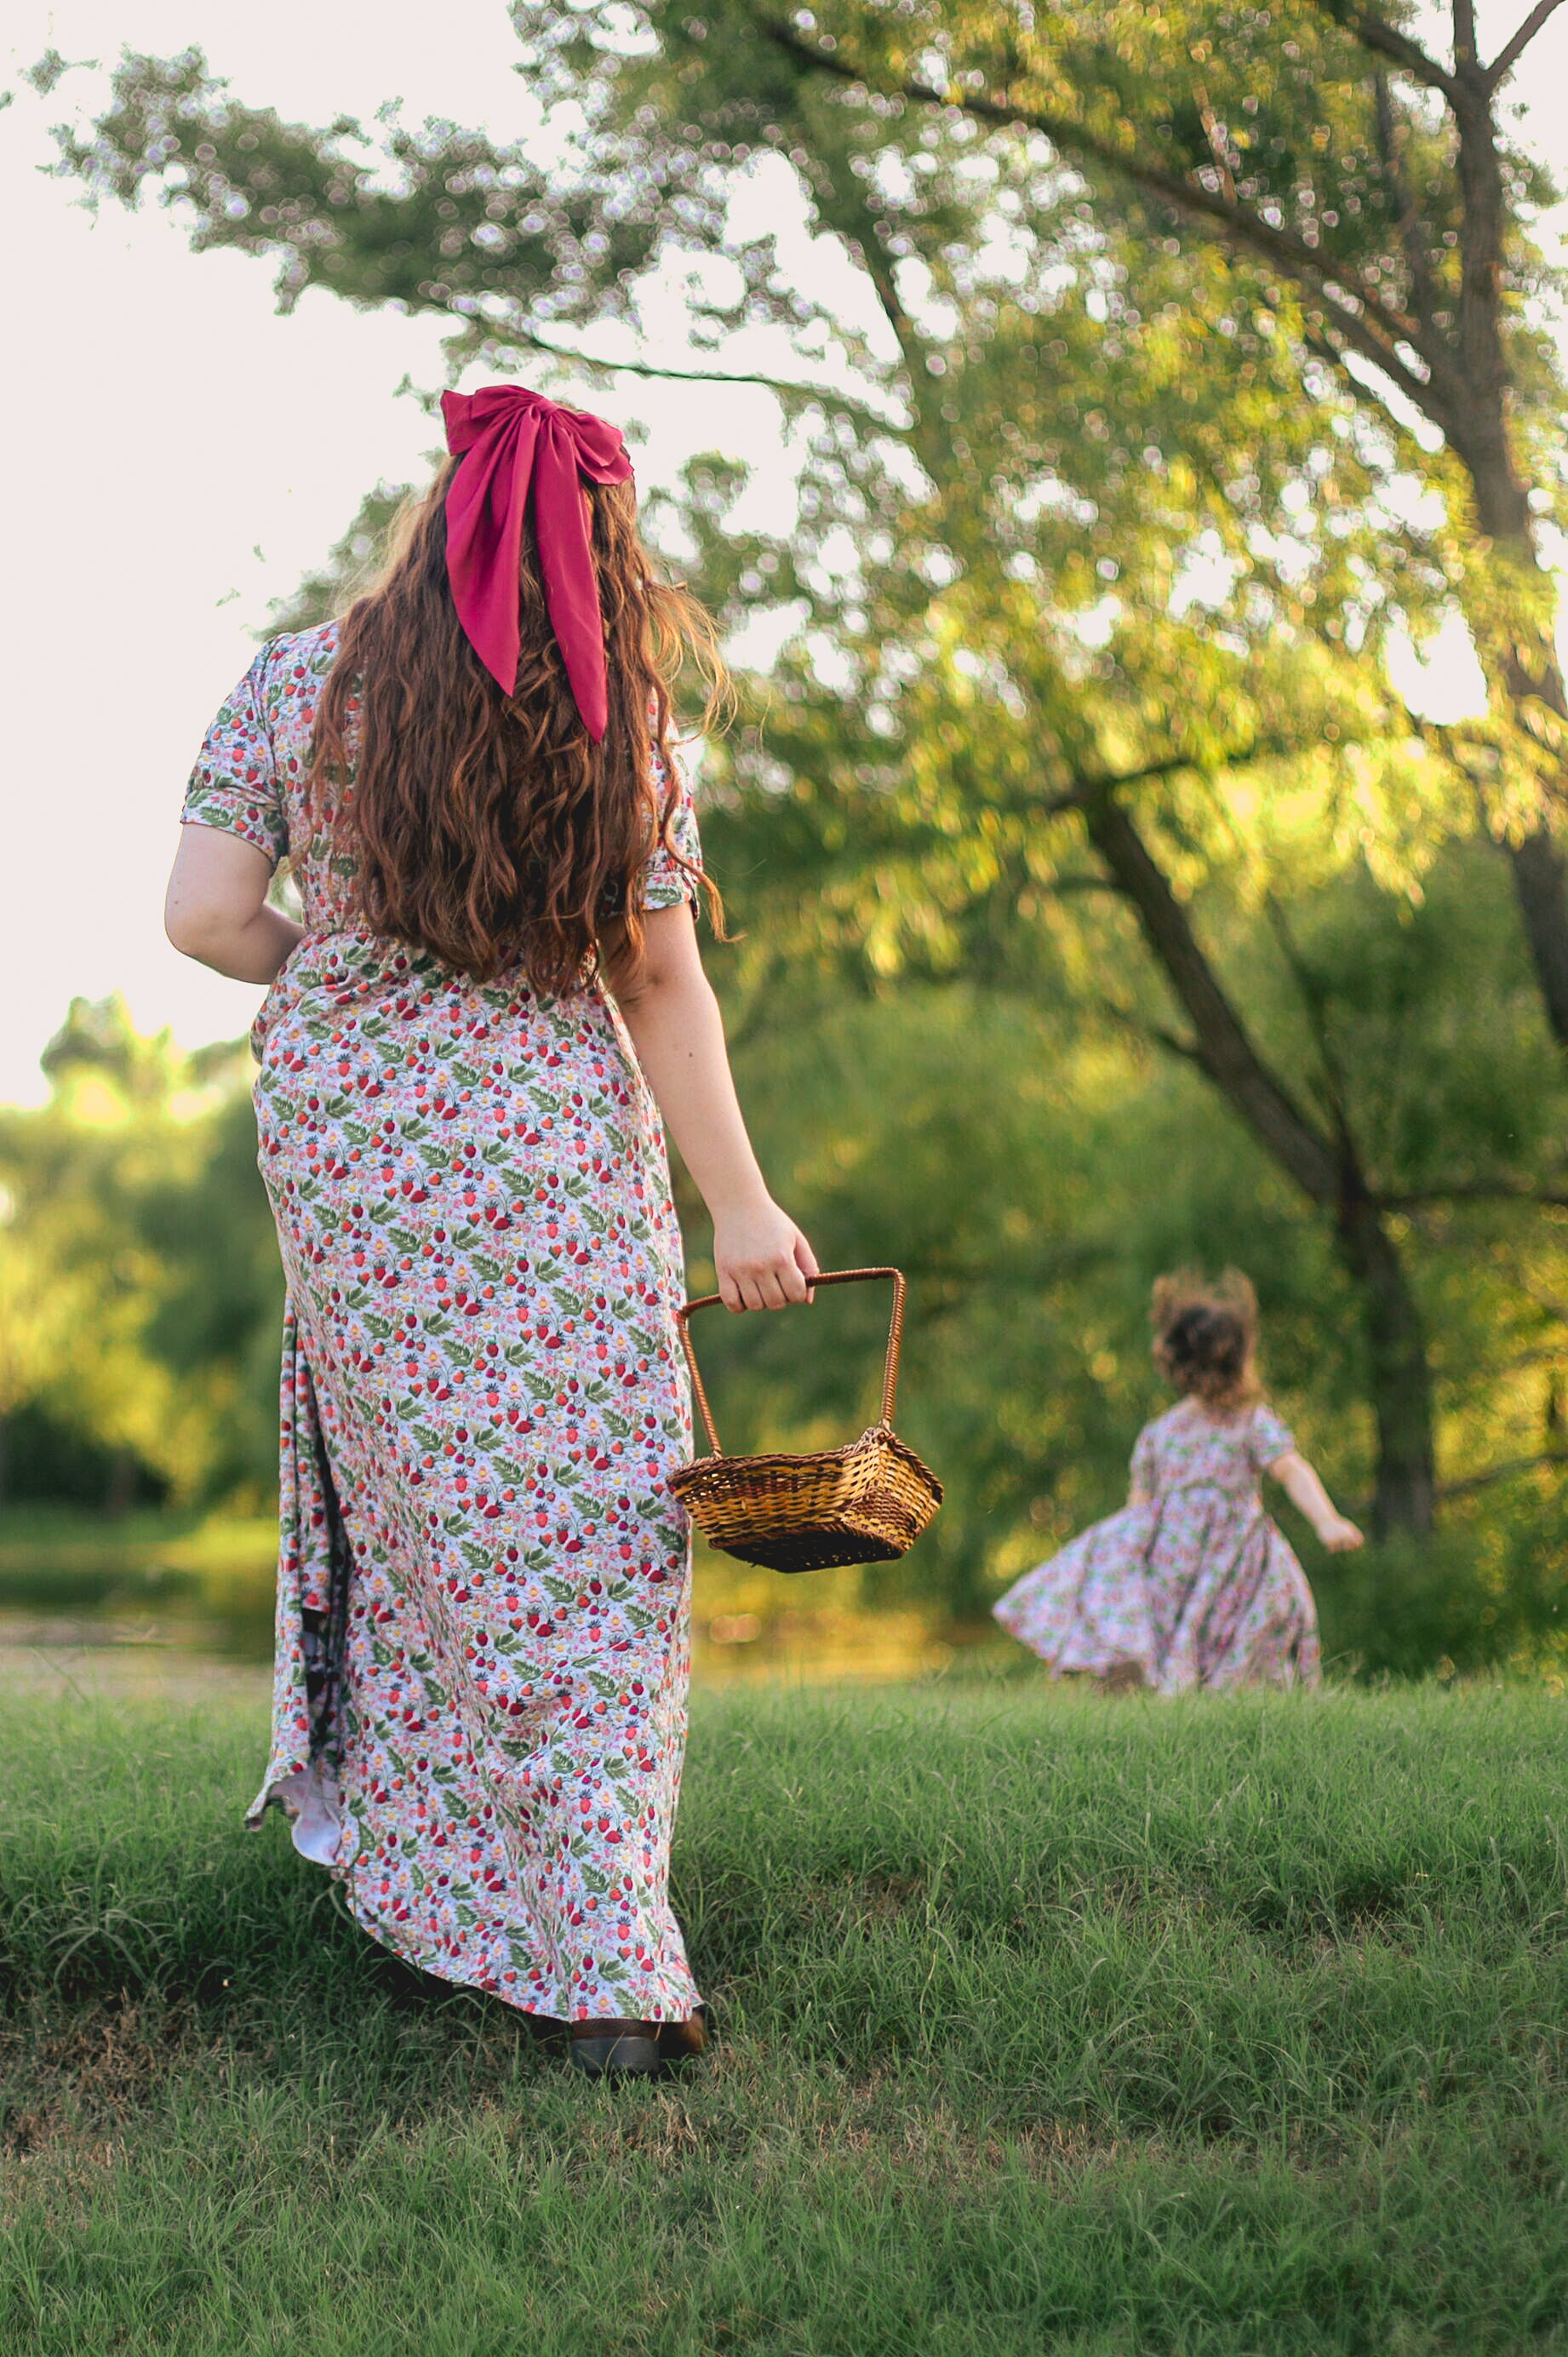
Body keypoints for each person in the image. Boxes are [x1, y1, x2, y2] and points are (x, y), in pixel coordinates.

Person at [165, 383, 818, 2079]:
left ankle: (460, 1909)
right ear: (602, 537)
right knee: (598, 1525)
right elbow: (657, 976)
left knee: (439, 1528)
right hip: (545, 1147)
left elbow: (204, 917)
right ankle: (599, 1951)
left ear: (438, 507)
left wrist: (341, 972)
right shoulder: (622, 722)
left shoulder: (297, 682)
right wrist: (738, 1202)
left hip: (358, 1143)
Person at [993, 1271, 1360, 1693]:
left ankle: (1147, 1689)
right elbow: (1291, 1469)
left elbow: (1137, 1513)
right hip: (1228, 1562)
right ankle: (1173, 1695)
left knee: (1174, 1640)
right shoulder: (1243, 1423)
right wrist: (1325, 1519)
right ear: (1240, 1360)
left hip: (1190, 1565)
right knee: (1240, 1632)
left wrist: (1326, 1520)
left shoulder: (1163, 1433)